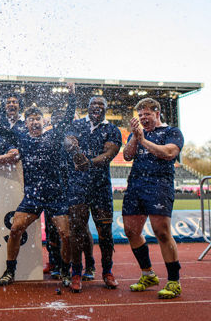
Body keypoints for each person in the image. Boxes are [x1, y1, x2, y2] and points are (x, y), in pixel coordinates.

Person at [0, 83, 76, 289]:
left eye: (38, 119)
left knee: (66, 234)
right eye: (31, 120)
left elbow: (67, 118)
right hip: (33, 196)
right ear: (26, 123)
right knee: (15, 229)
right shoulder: (21, 138)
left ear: (43, 121)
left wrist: (72, 96)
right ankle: (10, 271)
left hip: (56, 195)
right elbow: (2, 127)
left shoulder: (53, 135)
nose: (35, 122)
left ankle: (65, 271)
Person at [122, 98, 184, 299]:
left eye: (147, 114)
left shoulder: (171, 132)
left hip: (159, 185)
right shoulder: (138, 133)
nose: (143, 118)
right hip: (135, 186)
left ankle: (174, 281)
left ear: (157, 114)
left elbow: (168, 153)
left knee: (161, 231)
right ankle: (148, 274)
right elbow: (127, 156)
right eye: (140, 115)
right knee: (131, 231)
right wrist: (136, 137)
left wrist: (144, 141)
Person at [65, 96, 122, 292]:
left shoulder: (112, 130)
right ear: (87, 108)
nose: (96, 108)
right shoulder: (77, 124)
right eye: (92, 105)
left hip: (100, 187)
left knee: (105, 233)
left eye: (100, 105)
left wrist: (89, 162)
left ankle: (107, 272)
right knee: (77, 231)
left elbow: (109, 154)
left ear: (106, 109)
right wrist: (74, 150)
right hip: (78, 185)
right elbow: (68, 141)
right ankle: (76, 273)